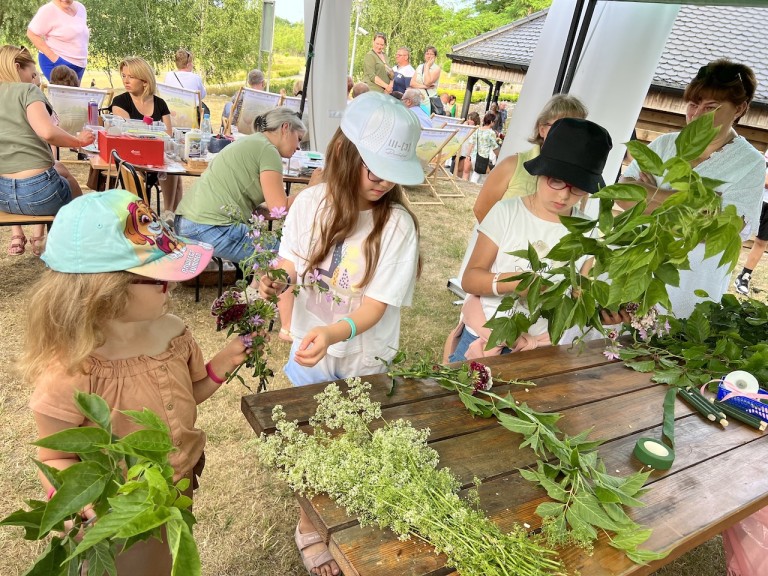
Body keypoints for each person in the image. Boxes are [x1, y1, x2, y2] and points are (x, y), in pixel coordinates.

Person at [21, 188, 253, 575]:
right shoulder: (73, 369)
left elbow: (184, 399)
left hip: (177, 483)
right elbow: (54, 455)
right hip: (118, 506)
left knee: (167, 560)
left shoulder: (173, 333)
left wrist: (222, 364)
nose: (172, 286)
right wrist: (72, 503)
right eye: (159, 280)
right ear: (105, 290)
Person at [258, 90, 422, 576]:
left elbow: (373, 308)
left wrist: (334, 331)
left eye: (392, 172)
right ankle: (309, 526)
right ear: (345, 153)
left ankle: (342, 525)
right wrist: (277, 280)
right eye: (374, 169)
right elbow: (290, 264)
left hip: (363, 358)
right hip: (313, 351)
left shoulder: (397, 226)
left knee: (353, 444)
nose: (383, 182)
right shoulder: (310, 204)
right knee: (311, 448)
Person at [445, 118, 612, 362]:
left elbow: (581, 296)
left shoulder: (588, 232)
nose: (564, 195)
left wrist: (604, 309)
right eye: (556, 180)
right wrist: (515, 284)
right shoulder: (507, 212)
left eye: (577, 187)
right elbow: (471, 279)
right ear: (541, 170)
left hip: (539, 350)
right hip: (485, 339)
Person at [621, 59, 764, 319]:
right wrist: (697, 207)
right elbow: (623, 192)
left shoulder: (750, 163)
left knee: (670, 344)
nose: (697, 114)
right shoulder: (665, 144)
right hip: (636, 269)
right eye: (694, 104)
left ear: (739, 108)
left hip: (691, 283)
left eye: (711, 107)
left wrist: (649, 197)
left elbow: (725, 230)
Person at [175, 107, 305, 263]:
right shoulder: (268, 151)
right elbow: (280, 208)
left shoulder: (253, 141)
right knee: (286, 256)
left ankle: (255, 287)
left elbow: (236, 191)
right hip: (207, 227)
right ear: (285, 128)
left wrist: (260, 212)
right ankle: (256, 287)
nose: (298, 147)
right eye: (299, 138)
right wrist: (312, 187)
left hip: (188, 221)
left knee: (268, 252)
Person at [0, 45, 94, 257]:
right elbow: (47, 132)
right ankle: (83, 235)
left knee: (59, 167)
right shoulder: (27, 91)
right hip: (39, 193)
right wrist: (78, 142)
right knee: (70, 186)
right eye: (32, 74)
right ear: (16, 67)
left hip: (3, 194)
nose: (35, 80)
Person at [473, 94, 588, 222]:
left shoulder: (579, 177)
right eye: (560, 127)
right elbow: (481, 210)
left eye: (576, 130)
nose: (567, 135)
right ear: (542, 129)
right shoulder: (512, 165)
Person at [111, 56, 183, 220]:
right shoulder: (120, 101)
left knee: (172, 167)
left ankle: (169, 216)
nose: (126, 80)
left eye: (131, 76)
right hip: (132, 158)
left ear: (145, 81)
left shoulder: (160, 103)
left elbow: (168, 136)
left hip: (157, 156)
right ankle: (147, 217)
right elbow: (127, 134)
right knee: (168, 170)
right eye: (123, 76)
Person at [26, 0, 89, 82]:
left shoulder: (81, 8)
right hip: (58, 64)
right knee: (62, 94)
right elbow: (31, 34)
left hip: (79, 65)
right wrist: (56, 59)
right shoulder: (48, 10)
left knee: (74, 94)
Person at [733, 150, 768, 295]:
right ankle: (724, 268)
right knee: (737, 234)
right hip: (757, 198)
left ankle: (744, 276)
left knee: (762, 241)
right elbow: (764, 180)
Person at [163, 48, 209, 119]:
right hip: (192, 117)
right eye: (192, 62)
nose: (193, 65)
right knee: (205, 110)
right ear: (188, 64)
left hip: (173, 115)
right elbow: (202, 96)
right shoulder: (196, 78)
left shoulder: (169, 76)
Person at [410, 45, 441, 115]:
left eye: (431, 54)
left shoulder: (436, 69)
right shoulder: (420, 67)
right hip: (416, 98)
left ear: (435, 57)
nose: (429, 56)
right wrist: (425, 87)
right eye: (427, 53)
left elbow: (427, 82)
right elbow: (412, 83)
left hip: (428, 100)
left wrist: (427, 66)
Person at [471, 112, 500, 180]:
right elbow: (494, 146)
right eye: (494, 121)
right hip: (483, 156)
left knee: (478, 174)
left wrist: (468, 155)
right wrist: (499, 155)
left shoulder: (478, 130)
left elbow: (472, 142)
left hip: (474, 154)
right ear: (491, 122)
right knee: (477, 175)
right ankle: (470, 187)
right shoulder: (491, 132)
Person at [456, 111, 480, 180]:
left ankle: (462, 181)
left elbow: (472, 143)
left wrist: (468, 154)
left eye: (471, 119)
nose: (469, 121)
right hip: (463, 150)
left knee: (465, 169)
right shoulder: (466, 127)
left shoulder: (475, 129)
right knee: (459, 168)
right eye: (469, 119)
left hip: (468, 151)